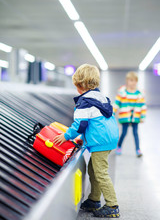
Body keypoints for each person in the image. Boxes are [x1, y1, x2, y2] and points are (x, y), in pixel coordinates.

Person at [54, 64, 120, 218]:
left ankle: (112, 205)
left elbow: (80, 124)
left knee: (101, 173)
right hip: (107, 138)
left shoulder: (84, 102)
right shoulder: (101, 97)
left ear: (80, 85)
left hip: (100, 141)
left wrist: (66, 136)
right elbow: (95, 123)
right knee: (94, 170)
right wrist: (83, 138)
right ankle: (94, 200)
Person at [113, 71, 147, 157]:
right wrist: (112, 112)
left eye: (135, 81)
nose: (133, 82)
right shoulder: (122, 93)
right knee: (124, 133)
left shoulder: (139, 94)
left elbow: (143, 106)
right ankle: (119, 146)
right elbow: (116, 103)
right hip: (125, 116)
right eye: (131, 80)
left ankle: (138, 150)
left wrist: (142, 116)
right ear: (127, 81)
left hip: (135, 117)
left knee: (135, 133)